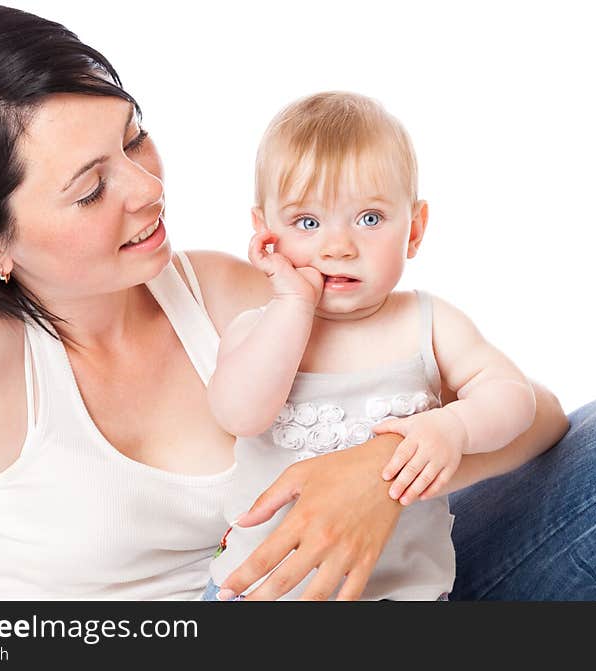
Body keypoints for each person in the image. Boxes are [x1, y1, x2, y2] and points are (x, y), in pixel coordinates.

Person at [0, 5, 596, 601]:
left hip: (375, 596)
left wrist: (381, 472)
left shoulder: (221, 288)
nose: (147, 188)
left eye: (135, 134)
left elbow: (539, 426)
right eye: (90, 188)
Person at [204, 92, 537, 601]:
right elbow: (240, 414)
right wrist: (292, 303)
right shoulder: (259, 328)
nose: (339, 246)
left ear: (415, 228)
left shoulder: (428, 322)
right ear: (265, 233)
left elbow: (514, 396)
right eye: (308, 223)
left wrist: (452, 424)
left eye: (370, 219)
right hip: (258, 593)